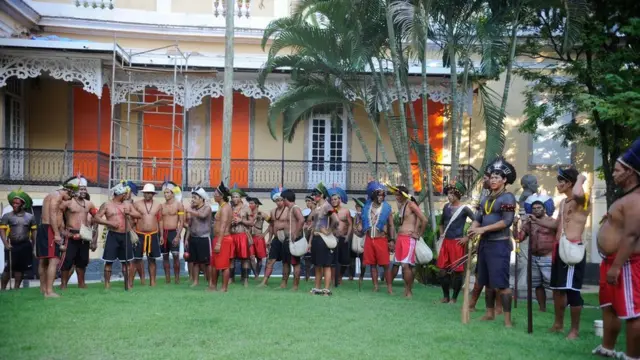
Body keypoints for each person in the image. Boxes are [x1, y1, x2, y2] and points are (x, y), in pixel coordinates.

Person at [593, 138, 640, 359]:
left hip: (627, 264)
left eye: (617, 170)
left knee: (634, 313)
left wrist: (617, 267)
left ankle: (633, 356)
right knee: (609, 306)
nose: (613, 173)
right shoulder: (627, 198)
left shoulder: (636, 200)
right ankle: (607, 348)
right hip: (611, 262)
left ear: (630, 172)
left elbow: (631, 236)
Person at [468, 157, 517, 328]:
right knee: (486, 281)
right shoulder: (485, 199)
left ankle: (507, 320)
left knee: (501, 284)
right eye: (492, 177)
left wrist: (482, 230)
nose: (494, 180)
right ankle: (489, 313)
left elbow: (507, 221)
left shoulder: (508, 198)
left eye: (498, 177)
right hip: (485, 245)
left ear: (504, 180)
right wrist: (473, 229)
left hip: (499, 244)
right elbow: (478, 218)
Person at [544, 167, 589, 339]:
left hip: (572, 250)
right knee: (557, 289)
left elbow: (578, 193)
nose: (557, 185)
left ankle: (574, 330)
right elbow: (557, 225)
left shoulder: (582, 200)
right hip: (559, 248)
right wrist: (538, 220)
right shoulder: (563, 203)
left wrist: (581, 178)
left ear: (569, 183)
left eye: (561, 181)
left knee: (572, 291)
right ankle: (558, 325)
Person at [93, 181, 143, 289]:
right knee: (109, 261)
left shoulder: (128, 204)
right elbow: (96, 218)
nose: (126, 195)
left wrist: (129, 213)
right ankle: (107, 285)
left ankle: (127, 284)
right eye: (124, 194)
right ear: (118, 194)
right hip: (112, 235)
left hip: (125, 235)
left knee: (126, 262)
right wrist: (109, 223)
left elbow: (139, 215)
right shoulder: (107, 205)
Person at [37, 178, 78, 297]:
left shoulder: (50, 196)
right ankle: (49, 292)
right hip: (50, 229)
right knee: (54, 260)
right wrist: (56, 233)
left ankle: (43, 289)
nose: (69, 199)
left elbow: (56, 217)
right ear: (67, 191)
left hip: (46, 228)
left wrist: (64, 233)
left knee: (44, 260)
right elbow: (52, 215)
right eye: (70, 196)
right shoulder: (57, 196)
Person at [436, 180, 475, 303]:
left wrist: (467, 237)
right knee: (442, 270)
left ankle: (454, 298)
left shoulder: (465, 209)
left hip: (457, 243)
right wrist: (442, 234)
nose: (449, 196)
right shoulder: (446, 207)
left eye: (452, 193)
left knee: (457, 272)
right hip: (446, 242)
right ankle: (446, 296)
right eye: (448, 193)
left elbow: (476, 222)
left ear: (458, 194)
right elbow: (441, 223)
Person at [514, 199, 556, 312]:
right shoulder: (529, 223)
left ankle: (559, 308)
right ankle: (542, 308)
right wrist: (514, 225)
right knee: (538, 285)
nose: (536, 210)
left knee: (554, 286)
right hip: (533, 258)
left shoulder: (551, 222)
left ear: (544, 209)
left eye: (539, 208)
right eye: (534, 208)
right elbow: (518, 238)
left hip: (548, 257)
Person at [389, 185, 427, 298]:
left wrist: (418, 234)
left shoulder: (411, 204)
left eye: (398, 195)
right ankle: (404, 290)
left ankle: (408, 291)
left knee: (406, 265)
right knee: (399, 264)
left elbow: (424, 219)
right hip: (401, 237)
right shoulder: (403, 205)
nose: (396, 197)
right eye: (395, 194)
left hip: (408, 238)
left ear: (404, 195)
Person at [59, 177, 98, 289]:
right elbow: (58, 217)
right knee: (67, 261)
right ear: (74, 190)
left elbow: (97, 218)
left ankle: (81, 284)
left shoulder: (89, 204)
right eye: (81, 189)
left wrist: (94, 233)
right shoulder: (67, 203)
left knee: (82, 262)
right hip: (70, 235)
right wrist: (63, 231)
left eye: (85, 189)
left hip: (84, 236)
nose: (83, 191)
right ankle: (63, 285)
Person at [361, 180, 395, 294]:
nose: (381, 197)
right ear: (373, 195)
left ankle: (389, 287)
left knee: (386, 265)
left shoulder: (387, 208)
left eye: (383, 195)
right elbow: (362, 224)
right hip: (369, 239)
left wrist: (392, 240)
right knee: (372, 265)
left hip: (381, 239)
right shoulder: (366, 208)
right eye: (379, 195)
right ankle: (375, 286)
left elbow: (391, 225)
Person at [0, 189, 36, 290]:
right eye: (13, 203)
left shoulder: (30, 217)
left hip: (25, 245)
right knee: (8, 268)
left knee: (20, 269)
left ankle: (16, 289)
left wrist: (34, 247)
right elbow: (2, 230)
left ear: (23, 204)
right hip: (12, 245)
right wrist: (6, 243)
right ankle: (2, 289)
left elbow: (34, 232)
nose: (14, 205)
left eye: (17, 203)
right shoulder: (7, 216)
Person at [259, 187, 295, 288]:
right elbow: (271, 226)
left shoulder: (289, 210)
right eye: (277, 200)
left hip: (286, 237)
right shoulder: (273, 211)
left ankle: (284, 283)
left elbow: (293, 223)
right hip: (276, 237)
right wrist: (269, 239)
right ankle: (264, 281)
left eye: (280, 200)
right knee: (271, 260)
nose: (279, 202)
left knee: (286, 262)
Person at [308, 183, 339, 296]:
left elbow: (335, 220)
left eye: (316, 194)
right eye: (313, 194)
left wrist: (328, 230)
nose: (314, 196)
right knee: (317, 265)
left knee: (326, 265)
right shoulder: (317, 207)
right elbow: (313, 224)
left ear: (321, 195)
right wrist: (310, 242)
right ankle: (317, 288)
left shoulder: (327, 206)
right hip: (315, 238)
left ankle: (326, 289)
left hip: (323, 239)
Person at [130, 184, 163, 287]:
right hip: (139, 234)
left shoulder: (158, 205)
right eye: (146, 193)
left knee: (152, 259)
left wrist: (161, 235)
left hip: (153, 234)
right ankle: (130, 282)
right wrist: (132, 232)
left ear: (153, 194)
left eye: (149, 193)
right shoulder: (136, 204)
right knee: (136, 259)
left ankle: (152, 282)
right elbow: (132, 220)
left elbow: (160, 220)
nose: (147, 194)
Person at [185, 187, 212, 288]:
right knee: (195, 262)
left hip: (203, 238)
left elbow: (202, 216)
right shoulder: (193, 209)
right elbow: (189, 225)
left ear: (201, 199)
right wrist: (187, 239)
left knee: (206, 263)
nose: (192, 200)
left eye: (195, 198)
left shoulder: (207, 208)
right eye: (192, 197)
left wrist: (190, 210)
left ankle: (210, 282)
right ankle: (196, 281)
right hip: (193, 237)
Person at [210, 182, 233, 292]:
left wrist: (219, 243)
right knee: (214, 264)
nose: (214, 196)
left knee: (224, 266)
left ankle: (224, 288)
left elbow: (223, 225)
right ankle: (213, 286)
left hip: (223, 239)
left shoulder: (225, 208)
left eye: (215, 194)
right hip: (218, 238)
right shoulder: (222, 207)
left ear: (221, 196)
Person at [160, 181, 184, 284]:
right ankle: (167, 279)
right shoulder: (161, 206)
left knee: (175, 256)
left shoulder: (179, 205)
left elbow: (182, 221)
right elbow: (160, 221)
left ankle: (177, 279)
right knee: (165, 257)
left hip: (174, 233)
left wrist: (178, 236)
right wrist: (161, 235)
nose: (166, 194)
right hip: (164, 233)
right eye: (164, 193)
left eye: (168, 192)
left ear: (173, 193)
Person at [282, 189, 305, 291]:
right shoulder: (289, 209)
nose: (282, 202)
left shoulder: (295, 208)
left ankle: (295, 286)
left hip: (294, 240)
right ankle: (284, 283)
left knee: (295, 263)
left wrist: (295, 233)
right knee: (286, 262)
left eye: (283, 199)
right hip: (287, 240)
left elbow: (302, 220)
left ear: (286, 199)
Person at [328, 185, 352, 286]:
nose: (333, 201)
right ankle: (333, 279)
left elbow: (350, 224)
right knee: (332, 260)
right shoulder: (329, 211)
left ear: (339, 199)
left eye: (335, 199)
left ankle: (340, 276)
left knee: (344, 260)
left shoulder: (346, 211)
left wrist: (348, 236)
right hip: (332, 238)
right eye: (332, 199)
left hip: (343, 238)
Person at [229, 186, 253, 287]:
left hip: (243, 235)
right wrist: (231, 222)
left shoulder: (246, 208)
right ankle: (231, 278)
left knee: (245, 258)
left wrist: (241, 220)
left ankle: (245, 279)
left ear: (240, 198)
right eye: (233, 197)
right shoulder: (229, 208)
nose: (234, 199)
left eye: (236, 197)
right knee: (231, 258)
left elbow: (251, 222)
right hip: (231, 235)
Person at [247, 196, 269, 278]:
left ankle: (257, 275)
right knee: (251, 257)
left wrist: (264, 233)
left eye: (252, 203)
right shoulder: (247, 214)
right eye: (249, 203)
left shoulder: (262, 214)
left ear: (257, 205)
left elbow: (273, 223)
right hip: (250, 238)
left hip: (259, 238)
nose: (250, 205)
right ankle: (256, 274)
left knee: (260, 259)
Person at [350, 197, 366, 283]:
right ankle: (351, 276)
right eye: (356, 205)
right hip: (354, 237)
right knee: (352, 259)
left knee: (363, 260)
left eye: (358, 205)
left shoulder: (366, 216)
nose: (356, 206)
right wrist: (354, 229)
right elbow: (353, 226)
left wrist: (362, 229)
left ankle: (361, 277)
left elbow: (367, 228)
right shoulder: (356, 215)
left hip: (363, 238)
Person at [302, 194, 316, 281]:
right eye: (306, 201)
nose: (307, 203)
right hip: (308, 236)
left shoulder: (316, 211)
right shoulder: (307, 212)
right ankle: (307, 276)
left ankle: (319, 277)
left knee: (317, 257)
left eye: (309, 201)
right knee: (307, 257)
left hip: (315, 236)